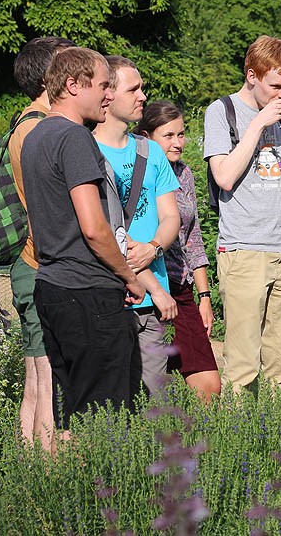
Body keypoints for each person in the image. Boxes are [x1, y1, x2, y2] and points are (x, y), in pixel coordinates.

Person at [21, 47, 145, 433]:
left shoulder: (35, 136)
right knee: (105, 422)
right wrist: (128, 275)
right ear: (73, 86)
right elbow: (93, 226)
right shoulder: (74, 138)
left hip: (52, 287)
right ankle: (102, 493)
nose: (109, 95)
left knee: (72, 414)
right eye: (104, 85)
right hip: (89, 291)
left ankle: (68, 492)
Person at [203, 35, 281, 393]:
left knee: (280, 365)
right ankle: (237, 437)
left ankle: (277, 438)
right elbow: (225, 177)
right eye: (276, 86)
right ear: (252, 75)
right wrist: (258, 124)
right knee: (243, 364)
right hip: (242, 247)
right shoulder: (222, 112)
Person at [92, 56, 181, 395]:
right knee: (110, 399)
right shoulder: (87, 150)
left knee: (154, 400)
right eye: (134, 89)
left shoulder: (150, 152)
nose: (143, 96)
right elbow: (104, 230)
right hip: (113, 295)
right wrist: (151, 282)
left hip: (153, 304)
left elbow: (170, 215)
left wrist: (154, 248)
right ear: (108, 94)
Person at [8, 35, 74, 450]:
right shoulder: (39, 130)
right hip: (40, 263)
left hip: (28, 263)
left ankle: (31, 463)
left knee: (37, 373)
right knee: (46, 374)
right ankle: (46, 471)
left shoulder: (24, 123)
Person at [136, 101, 221, 401]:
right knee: (152, 385)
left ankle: (206, 444)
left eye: (182, 134)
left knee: (209, 384)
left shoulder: (184, 175)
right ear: (146, 136)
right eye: (168, 135)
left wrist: (205, 296)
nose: (178, 143)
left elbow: (192, 237)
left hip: (181, 286)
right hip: (147, 285)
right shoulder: (136, 173)